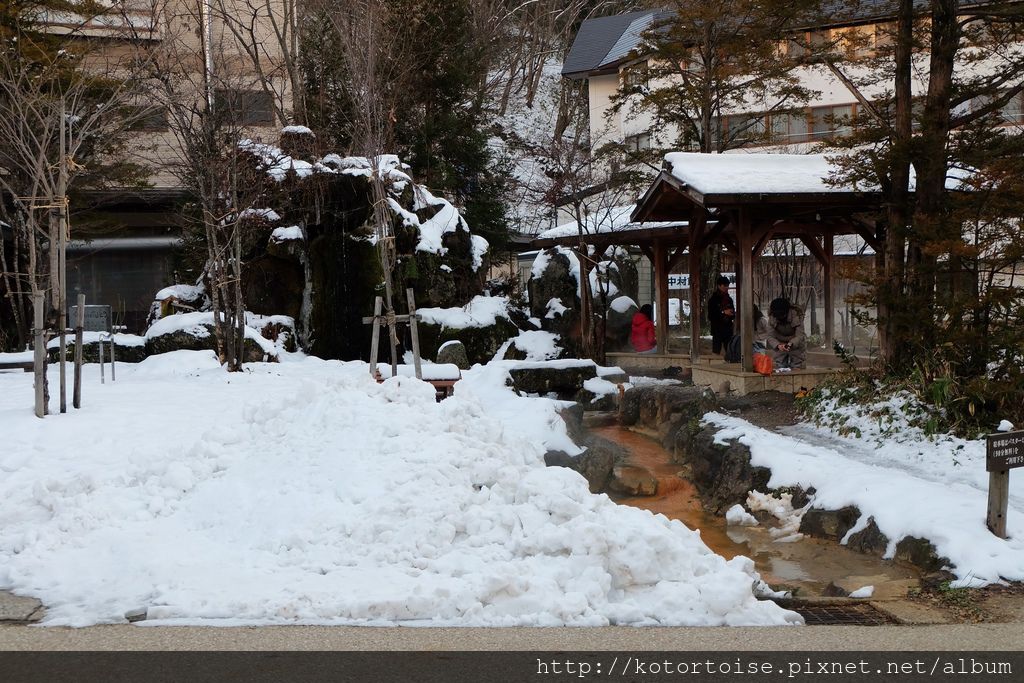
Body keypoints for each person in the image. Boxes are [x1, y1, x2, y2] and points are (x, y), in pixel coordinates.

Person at [766, 297, 806, 369]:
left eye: (782, 315)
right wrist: (778, 345)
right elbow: (770, 336)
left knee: (797, 367)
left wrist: (791, 344)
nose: (780, 317)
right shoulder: (772, 317)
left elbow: (800, 335)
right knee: (779, 367)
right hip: (779, 344)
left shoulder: (796, 315)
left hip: (795, 344)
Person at [707, 276, 735, 355]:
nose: (726, 287)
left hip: (728, 329)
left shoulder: (729, 299)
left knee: (730, 351)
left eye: (727, 286)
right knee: (716, 352)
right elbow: (711, 316)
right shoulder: (713, 300)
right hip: (717, 329)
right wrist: (723, 312)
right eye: (724, 285)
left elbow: (733, 314)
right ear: (719, 286)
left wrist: (731, 314)